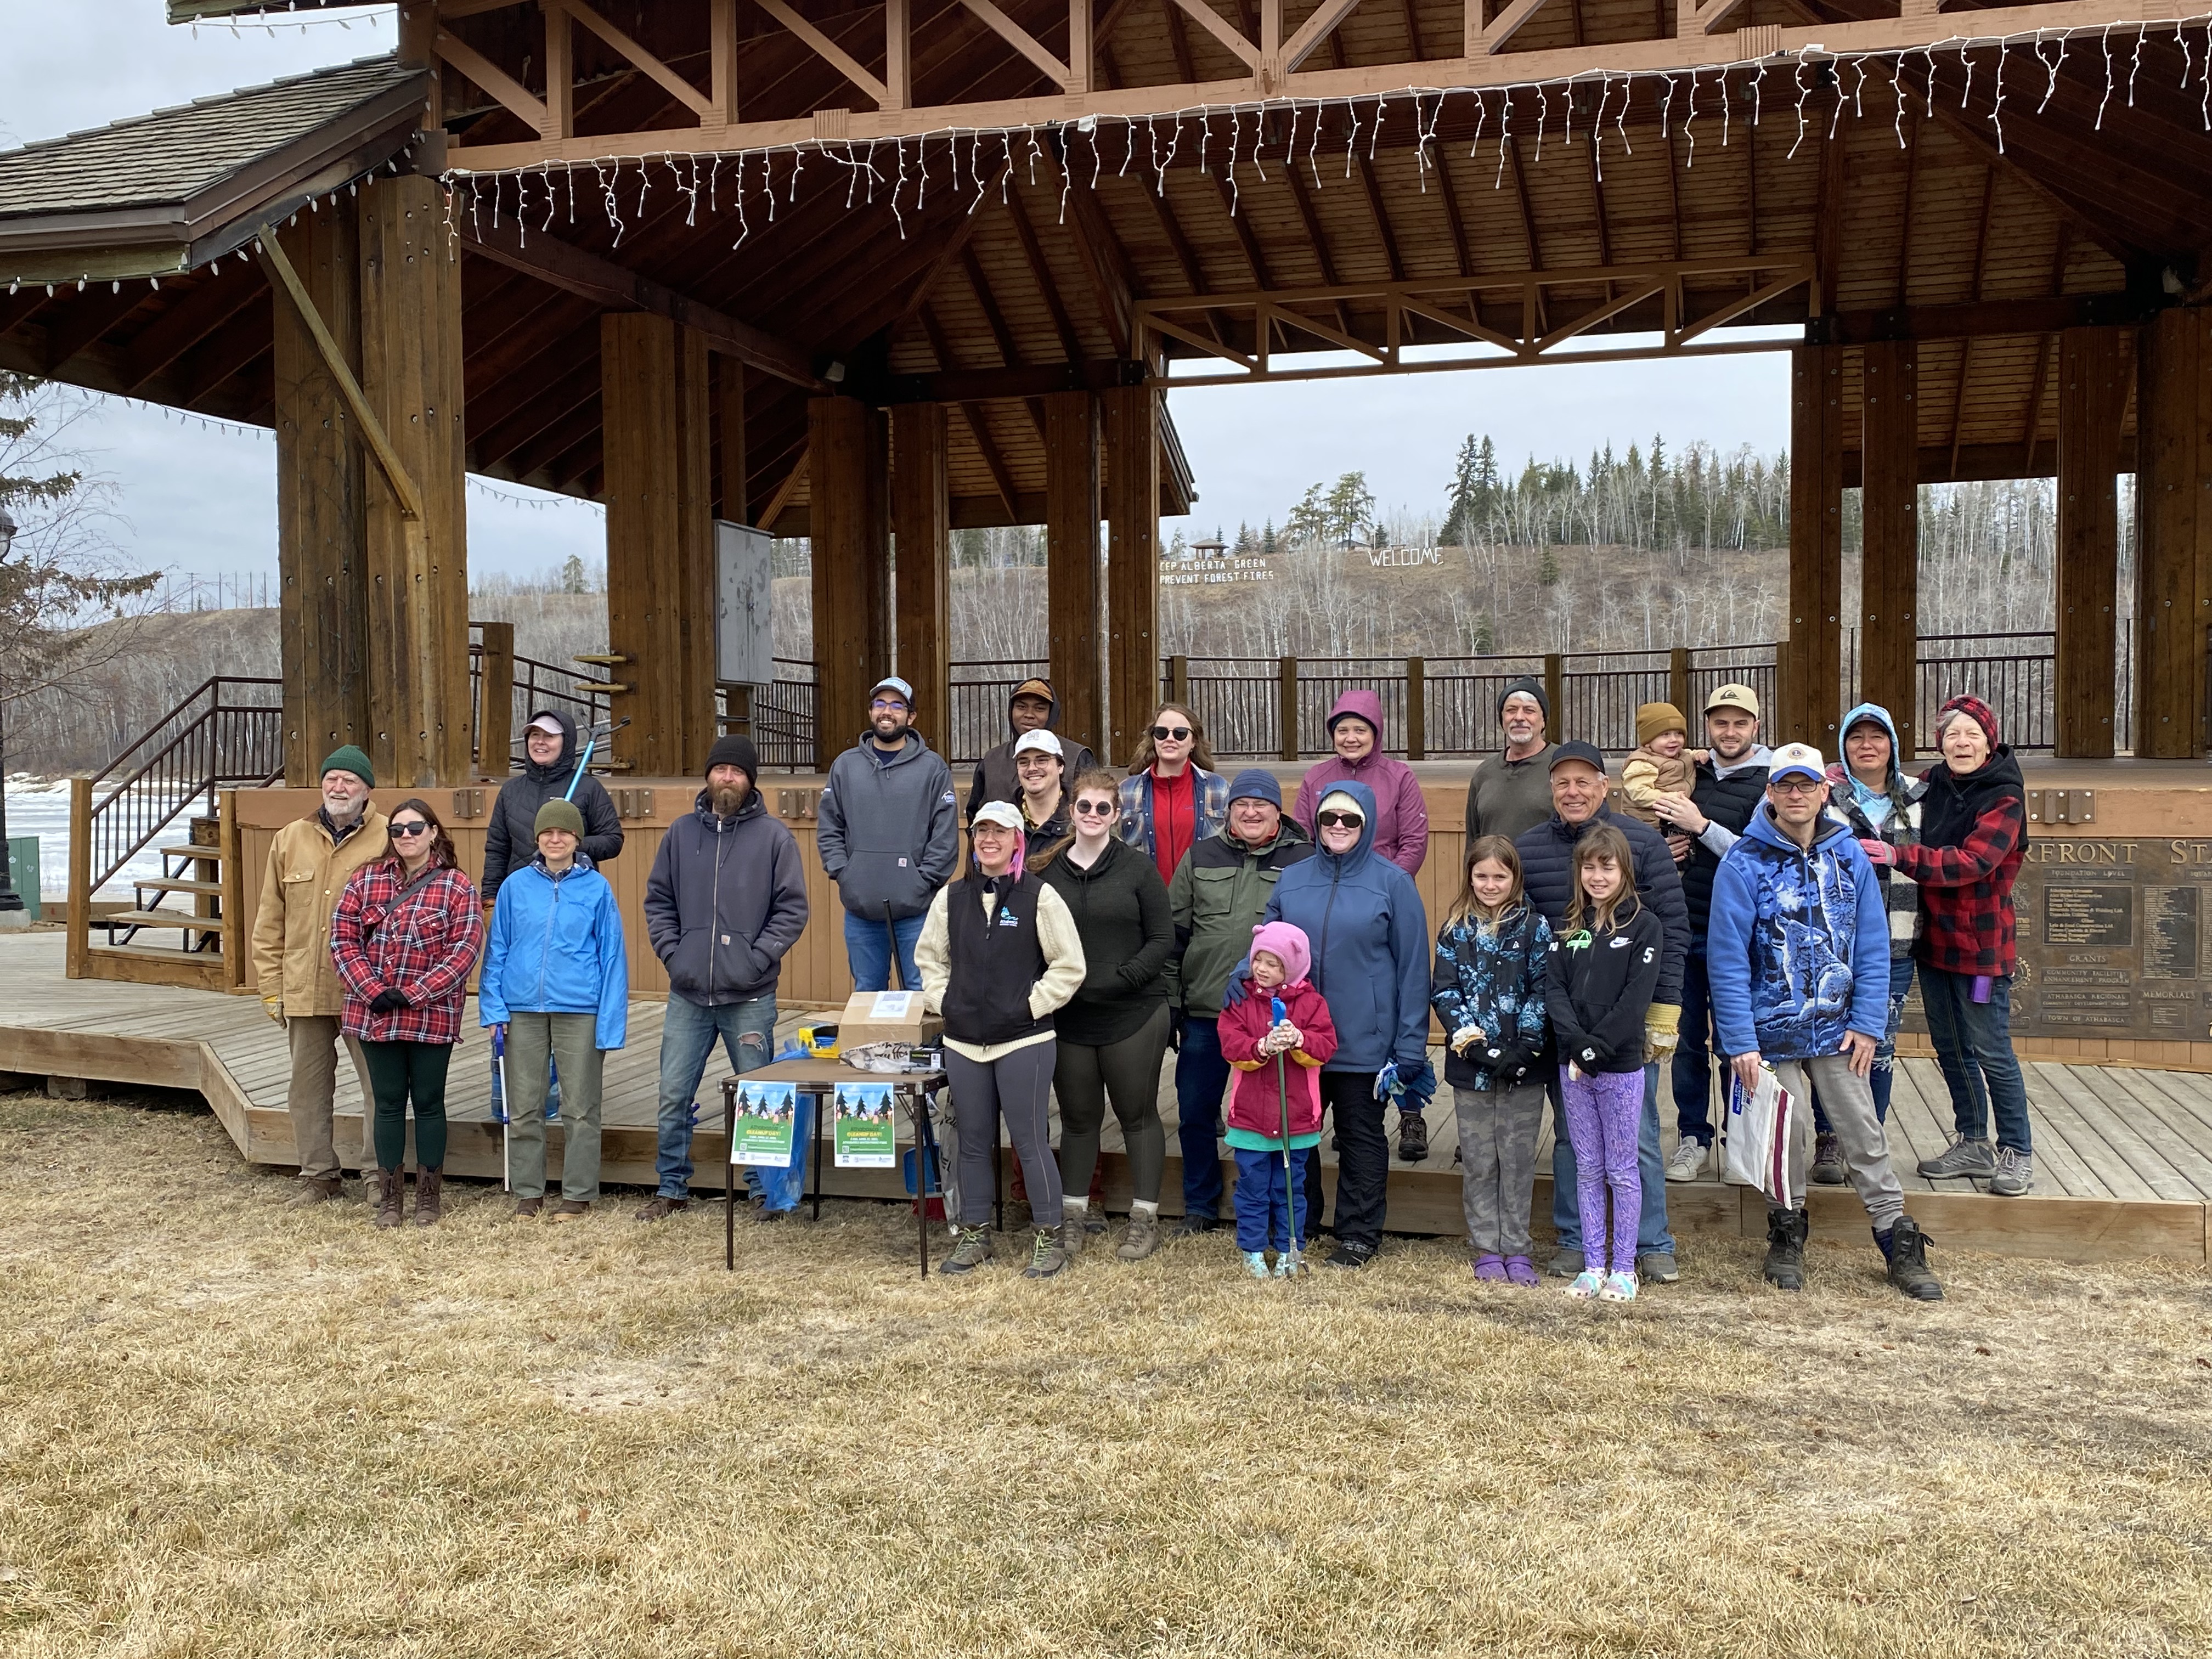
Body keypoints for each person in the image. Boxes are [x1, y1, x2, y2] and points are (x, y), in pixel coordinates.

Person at [1706, 744, 1944, 1300]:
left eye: (1805, 785)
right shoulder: (1743, 862)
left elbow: (1871, 944)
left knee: (1862, 1130)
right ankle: (1786, 1232)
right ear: (1770, 791)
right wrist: (1739, 1040)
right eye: (1785, 784)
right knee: (1785, 1135)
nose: (1795, 794)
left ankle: (1895, 1236)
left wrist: (1867, 1022)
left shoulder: (1849, 856)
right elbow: (1726, 957)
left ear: (1822, 792)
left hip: (1839, 1029)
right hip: (1771, 1031)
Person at [1517, 741, 1688, 1283]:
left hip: (1627, 1024)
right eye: (1562, 783)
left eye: (1584, 781)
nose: (1573, 791)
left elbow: (1674, 930)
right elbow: (1526, 937)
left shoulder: (1642, 843)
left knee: (1636, 1135)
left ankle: (1651, 1241)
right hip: (1562, 1021)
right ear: (1551, 790)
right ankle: (1578, 1239)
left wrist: (1663, 1013)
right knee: (1574, 1135)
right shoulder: (1529, 849)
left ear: (1605, 786)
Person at [1256, 780, 1431, 1270]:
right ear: (1316, 822)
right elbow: (1266, 943)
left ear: (1368, 824)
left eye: (1350, 820)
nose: (1338, 827)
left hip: (1364, 1040)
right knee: (1297, 1136)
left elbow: (1414, 966)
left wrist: (1410, 1042)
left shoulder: (1393, 882)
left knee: (1361, 1136)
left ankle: (1358, 1233)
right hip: (1296, 1035)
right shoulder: (1292, 879)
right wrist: (1240, 976)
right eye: (1330, 818)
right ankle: (1301, 1223)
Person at [636, 735, 810, 1222]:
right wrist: (675, 955)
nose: (727, 778)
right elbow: (658, 902)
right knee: (673, 1093)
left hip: (750, 995)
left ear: (750, 780)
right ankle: (671, 1185)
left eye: (736, 771)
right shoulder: (679, 834)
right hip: (688, 993)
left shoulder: (774, 837)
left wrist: (757, 959)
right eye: (720, 770)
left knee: (758, 1096)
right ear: (708, 776)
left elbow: (792, 909)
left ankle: (763, 1189)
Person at [917, 800, 1087, 1278]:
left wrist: (1029, 1006)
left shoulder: (1040, 896)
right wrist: (945, 1001)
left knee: (1030, 1140)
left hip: (1024, 1041)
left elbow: (1070, 965)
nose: (989, 839)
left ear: (1018, 839)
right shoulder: (950, 899)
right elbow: (930, 959)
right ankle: (975, 1233)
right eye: (981, 831)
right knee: (972, 1141)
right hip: (965, 1041)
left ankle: (1049, 1235)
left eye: (1000, 831)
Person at [1884, 694, 2034, 1197]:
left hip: (1982, 951)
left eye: (1971, 733)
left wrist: (1898, 856)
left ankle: (2017, 1150)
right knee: (1950, 1048)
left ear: (1989, 741)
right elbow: (1877, 784)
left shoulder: (2004, 796)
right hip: (1936, 943)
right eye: (1952, 735)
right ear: (1940, 742)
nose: (1961, 743)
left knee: (1991, 1050)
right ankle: (1973, 1142)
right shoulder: (1934, 784)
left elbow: (1974, 862)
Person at [1163, 768, 1314, 1236]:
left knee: (1281, 1118)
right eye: (1241, 804)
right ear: (1228, 811)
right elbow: (1173, 934)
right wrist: (1171, 1002)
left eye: (1261, 805)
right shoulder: (1201, 855)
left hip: (1274, 1017)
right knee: (1195, 1112)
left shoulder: (1303, 858)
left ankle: (1281, 1213)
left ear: (1277, 812)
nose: (1251, 812)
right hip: (1208, 1010)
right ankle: (1201, 1205)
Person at [1040, 769, 1176, 1260]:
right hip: (1070, 1018)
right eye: (1084, 807)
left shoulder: (1139, 869)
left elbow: (1163, 939)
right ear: (1070, 811)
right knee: (1078, 1120)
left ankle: (1144, 1218)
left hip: (1133, 1013)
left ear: (1118, 815)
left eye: (1104, 808)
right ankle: (1072, 1216)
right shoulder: (1046, 872)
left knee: (1137, 1116)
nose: (1093, 815)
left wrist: (1122, 979)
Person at [329, 798, 483, 1229]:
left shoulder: (456, 886)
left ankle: (429, 1197)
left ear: (434, 832)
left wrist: (414, 994)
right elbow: (342, 940)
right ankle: (391, 1198)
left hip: (432, 1014)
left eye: (416, 828)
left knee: (430, 1102)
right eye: (398, 830)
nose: (407, 837)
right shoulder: (365, 880)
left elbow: (464, 950)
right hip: (374, 1012)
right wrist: (372, 989)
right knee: (389, 1103)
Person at [478, 799, 629, 1220]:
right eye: (548, 833)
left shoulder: (596, 889)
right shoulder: (514, 887)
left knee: (581, 1107)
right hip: (522, 1008)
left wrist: (610, 1023)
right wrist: (493, 1007)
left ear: (577, 839)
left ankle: (578, 1193)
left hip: (580, 1009)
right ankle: (529, 1190)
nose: (555, 838)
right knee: (525, 1105)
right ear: (538, 838)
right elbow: (498, 950)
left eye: (564, 832)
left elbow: (612, 955)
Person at [251, 746, 389, 1206]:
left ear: (367, 789)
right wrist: (272, 988)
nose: (339, 788)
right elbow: (270, 919)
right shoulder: (291, 837)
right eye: (332, 779)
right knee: (307, 1090)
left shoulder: (391, 837)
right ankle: (318, 1177)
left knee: (380, 1088)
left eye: (350, 781)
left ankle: (378, 1176)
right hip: (304, 990)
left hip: (365, 991)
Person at [1652, 684, 1772, 1182]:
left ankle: (1739, 1142)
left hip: (1737, 938)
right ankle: (1693, 1138)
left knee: (1734, 1043)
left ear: (1755, 728)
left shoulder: (1771, 782)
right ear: (1709, 728)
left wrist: (1701, 828)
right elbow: (1656, 826)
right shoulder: (1690, 773)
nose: (1729, 732)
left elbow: (1760, 859)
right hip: (1682, 927)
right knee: (1684, 1042)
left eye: (1739, 723)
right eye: (1720, 723)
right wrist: (1667, 848)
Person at [1545, 824, 1665, 1303]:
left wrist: (1596, 1048)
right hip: (1573, 1065)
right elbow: (1555, 989)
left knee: (1621, 1168)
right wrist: (1576, 1044)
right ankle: (1593, 1264)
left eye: (1607, 867)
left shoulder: (1645, 925)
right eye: (1589, 867)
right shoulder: (1570, 923)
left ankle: (1623, 1267)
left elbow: (1636, 999)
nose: (1597, 876)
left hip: (1618, 1066)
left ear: (1624, 871)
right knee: (1587, 1165)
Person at [1810, 703, 1926, 1181]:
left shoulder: (1919, 798)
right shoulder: (1826, 797)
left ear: (1892, 746)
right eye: (1856, 737)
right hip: (1834, 944)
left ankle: (1868, 1139)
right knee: (1827, 1042)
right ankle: (1829, 1140)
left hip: (1896, 943)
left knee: (1876, 1045)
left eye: (1877, 737)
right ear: (1844, 746)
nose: (1867, 746)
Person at [1430, 836, 1552, 1286]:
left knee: (1518, 1158)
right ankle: (1486, 1245)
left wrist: (1524, 1046)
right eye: (1481, 875)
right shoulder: (1455, 928)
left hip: (1524, 1064)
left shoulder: (1535, 927)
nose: (1490, 884)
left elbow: (1543, 988)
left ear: (1514, 878)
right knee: (1481, 1158)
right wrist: (1479, 1047)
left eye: (1499, 876)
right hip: (1473, 1065)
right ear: (1470, 877)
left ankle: (1516, 1246)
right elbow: (1445, 991)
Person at [817, 674, 960, 994]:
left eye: (897, 705)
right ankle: (875, 1047)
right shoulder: (845, 766)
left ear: (911, 717)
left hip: (916, 912)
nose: (887, 711)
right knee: (867, 992)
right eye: (880, 703)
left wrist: (921, 882)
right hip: (861, 910)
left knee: (921, 993)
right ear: (871, 712)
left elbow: (945, 837)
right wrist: (845, 873)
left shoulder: (933, 769)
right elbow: (829, 827)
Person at [1218, 921, 1338, 1277]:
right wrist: (1261, 1047)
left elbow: (1325, 1048)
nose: (1262, 969)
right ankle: (1253, 1249)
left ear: (1292, 968)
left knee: (1290, 1187)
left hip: (1296, 1118)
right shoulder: (1241, 999)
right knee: (1253, 1187)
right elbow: (1230, 1045)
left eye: (1274, 964)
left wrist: (1299, 1040)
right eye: (1259, 960)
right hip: (1252, 1117)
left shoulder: (1312, 1003)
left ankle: (1291, 1248)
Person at [481, 707, 623, 907]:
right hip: (522, 898)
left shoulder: (588, 787)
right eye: (535, 735)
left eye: (549, 736)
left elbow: (613, 840)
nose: (540, 741)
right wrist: (490, 899)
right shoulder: (511, 791)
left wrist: (571, 845)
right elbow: (497, 848)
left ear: (565, 743)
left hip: (575, 898)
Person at [1290, 689, 1430, 874]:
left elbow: (1414, 841)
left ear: (1375, 734)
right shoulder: (1315, 777)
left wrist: (1391, 882)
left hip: (1383, 885)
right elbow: (1302, 838)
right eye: (1342, 731)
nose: (1350, 739)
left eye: (1360, 731)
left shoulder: (1400, 777)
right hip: (1327, 884)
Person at [1118, 702, 1228, 884]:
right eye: (1161, 732)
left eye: (1180, 733)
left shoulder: (1219, 789)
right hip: (1144, 898)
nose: (1170, 739)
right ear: (1153, 739)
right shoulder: (1127, 791)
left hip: (1204, 899)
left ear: (1194, 742)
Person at [968, 677, 1096, 822]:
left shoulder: (1078, 757)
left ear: (1052, 714)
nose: (1029, 714)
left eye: (1039, 709)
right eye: (1021, 707)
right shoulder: (991, 761)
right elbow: (974, 816)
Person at [1464, 677, 1559, 843]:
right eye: (1511, 710)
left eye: (1529, 710)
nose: (1519, 717)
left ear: (1543, 721)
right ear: (1502, 719)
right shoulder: (1484, 773)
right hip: (1494, 869)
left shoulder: (1562, 764)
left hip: (1549, 869)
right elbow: (1473, 842)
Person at [1619, 702, 1692, 830]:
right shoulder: (1644, 763)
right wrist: (1670, 798)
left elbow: (1687, 754)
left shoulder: (1679, 755)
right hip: (1648, 825)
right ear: (1648, 742)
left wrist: (1699, 754)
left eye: (1679, 733)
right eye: (1665, 735)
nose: (1674, 739)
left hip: (1672, 818)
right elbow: (1638, 793)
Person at [1013, 729, 1072, 860]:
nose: (1032, 768)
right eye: (1024, 762)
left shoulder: (1082, 817)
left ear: (1060, 766)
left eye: (1042, 761)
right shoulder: (1004, 819)